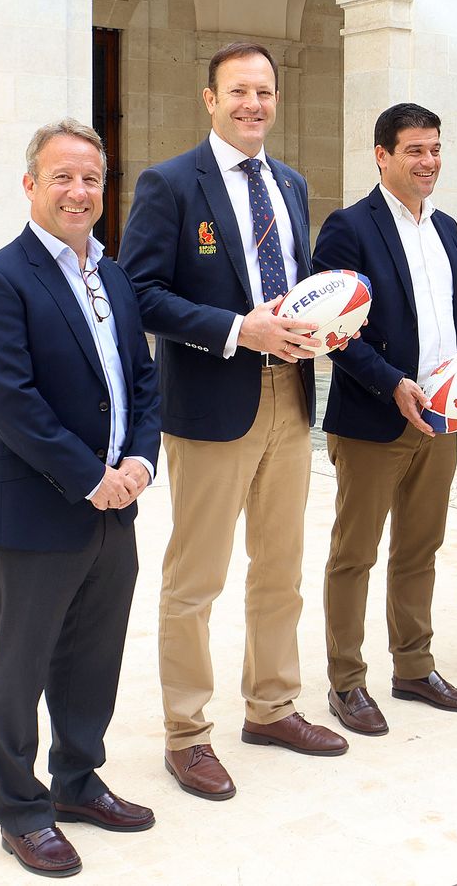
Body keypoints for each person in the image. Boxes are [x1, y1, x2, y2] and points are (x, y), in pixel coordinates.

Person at [120, 41, 347, 803]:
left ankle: (273, 707)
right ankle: (186, 733)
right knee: (196, 578)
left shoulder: (290, 183)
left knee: (280, 567)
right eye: (239, 92)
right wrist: (235, 329)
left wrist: (324, 323)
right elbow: (139, 292)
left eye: (265, 92)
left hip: (291, 397)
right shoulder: (170, 183)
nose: (254, 104)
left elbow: (299, 283)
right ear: (210, 99)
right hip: (213, 402)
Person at [0, 118, 162, 877]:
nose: (79, 192)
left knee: (93, 656)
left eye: (92, 179)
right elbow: (14, 403)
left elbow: (142, 380)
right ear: (30, 185)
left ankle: (77, 782)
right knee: (22, 664)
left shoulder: (114, 277)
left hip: (117, 506)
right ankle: (20, 809)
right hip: (36, 511)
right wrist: (90, 477)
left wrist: (140, 461)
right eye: (62, 177)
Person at [313, 102, 457, 734]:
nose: (428, 161)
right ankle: (346, 681)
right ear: (382, 155)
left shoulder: (446, 228)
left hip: (441, 420)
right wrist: (392, 384)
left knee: (420, 548)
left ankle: (414, 667)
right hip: (374, 418)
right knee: (354, 554)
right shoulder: (349, 227)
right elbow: (333, 329)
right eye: (415, 150)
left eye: (435, 149)